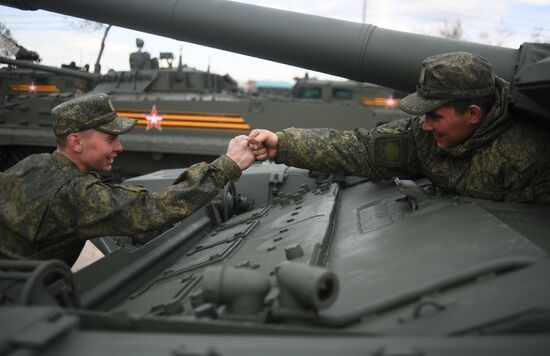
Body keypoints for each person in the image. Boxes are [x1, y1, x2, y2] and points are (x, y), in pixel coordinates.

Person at [249, 52, 550, 204]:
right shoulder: (423, 136)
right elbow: (362, 149)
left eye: (434, 116)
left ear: (472, 114)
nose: (425, 125)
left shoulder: (530, 156)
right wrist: (282, 143)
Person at [0, 93, 255, 265]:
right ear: (75, 141)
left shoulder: (33, 164)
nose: (119, 147)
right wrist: (227, 165)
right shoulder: (77, 193)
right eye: (110, 139)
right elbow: (155, 208)